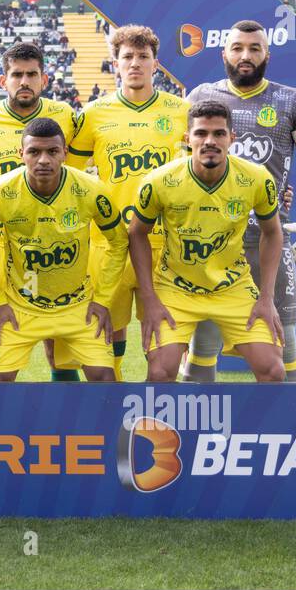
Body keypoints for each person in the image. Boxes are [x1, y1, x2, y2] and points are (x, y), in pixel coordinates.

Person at [184, 20, 296, 382]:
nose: (245, 56)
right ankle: (197, 434)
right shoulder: (201, 96)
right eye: (237, 48)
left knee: (285, 345)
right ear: (225, 54)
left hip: (268, 241)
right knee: (202, 346)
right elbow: (180, 167)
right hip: (210, 245)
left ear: (268, 54)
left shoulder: (294, 100)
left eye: (254, 49)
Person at [128, 101, 285, 382]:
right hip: (176, 288)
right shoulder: (160, 181)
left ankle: (252, 427)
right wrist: (149, 298)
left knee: (273, 370)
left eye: (219, 133)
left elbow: (272, 232)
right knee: (160, 371)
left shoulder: (257, 178)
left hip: (233, 286)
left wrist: (266, 297)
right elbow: (137, 233)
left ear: (231, 138)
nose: (209, 141)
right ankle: (159, 427)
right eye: (201, 133)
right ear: (188, 139)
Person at [69, 25, 189, 381]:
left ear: (156, 64)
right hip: (110, 244)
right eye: (127, 57)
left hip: (165, 245)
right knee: (108, 337)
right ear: (115, 64)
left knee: (163, 344)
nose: (135, 63)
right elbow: (70, 176)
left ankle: (157, 413)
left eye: (143, 57)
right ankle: (114, 410)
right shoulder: (93, 114)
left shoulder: (182, 110)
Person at [0, 117, 126, 381]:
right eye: (34, 152)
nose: (43, 160)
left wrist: (102, 299)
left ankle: (85, 424)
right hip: (20, 305)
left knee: (104, 378)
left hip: (77, 305)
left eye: (52, 151)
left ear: (64, 153)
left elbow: (119, 242)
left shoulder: (91, 190)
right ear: (21, 154)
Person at [0, 41, 81, 380]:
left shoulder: (66, 117)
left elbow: (73, 172)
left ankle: (67, 426)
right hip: (2, 245)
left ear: (44, 79)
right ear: (3, 81)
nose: (25, 81)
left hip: (56, 244)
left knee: (60, 342)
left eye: (32, 74)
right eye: (17, 74)